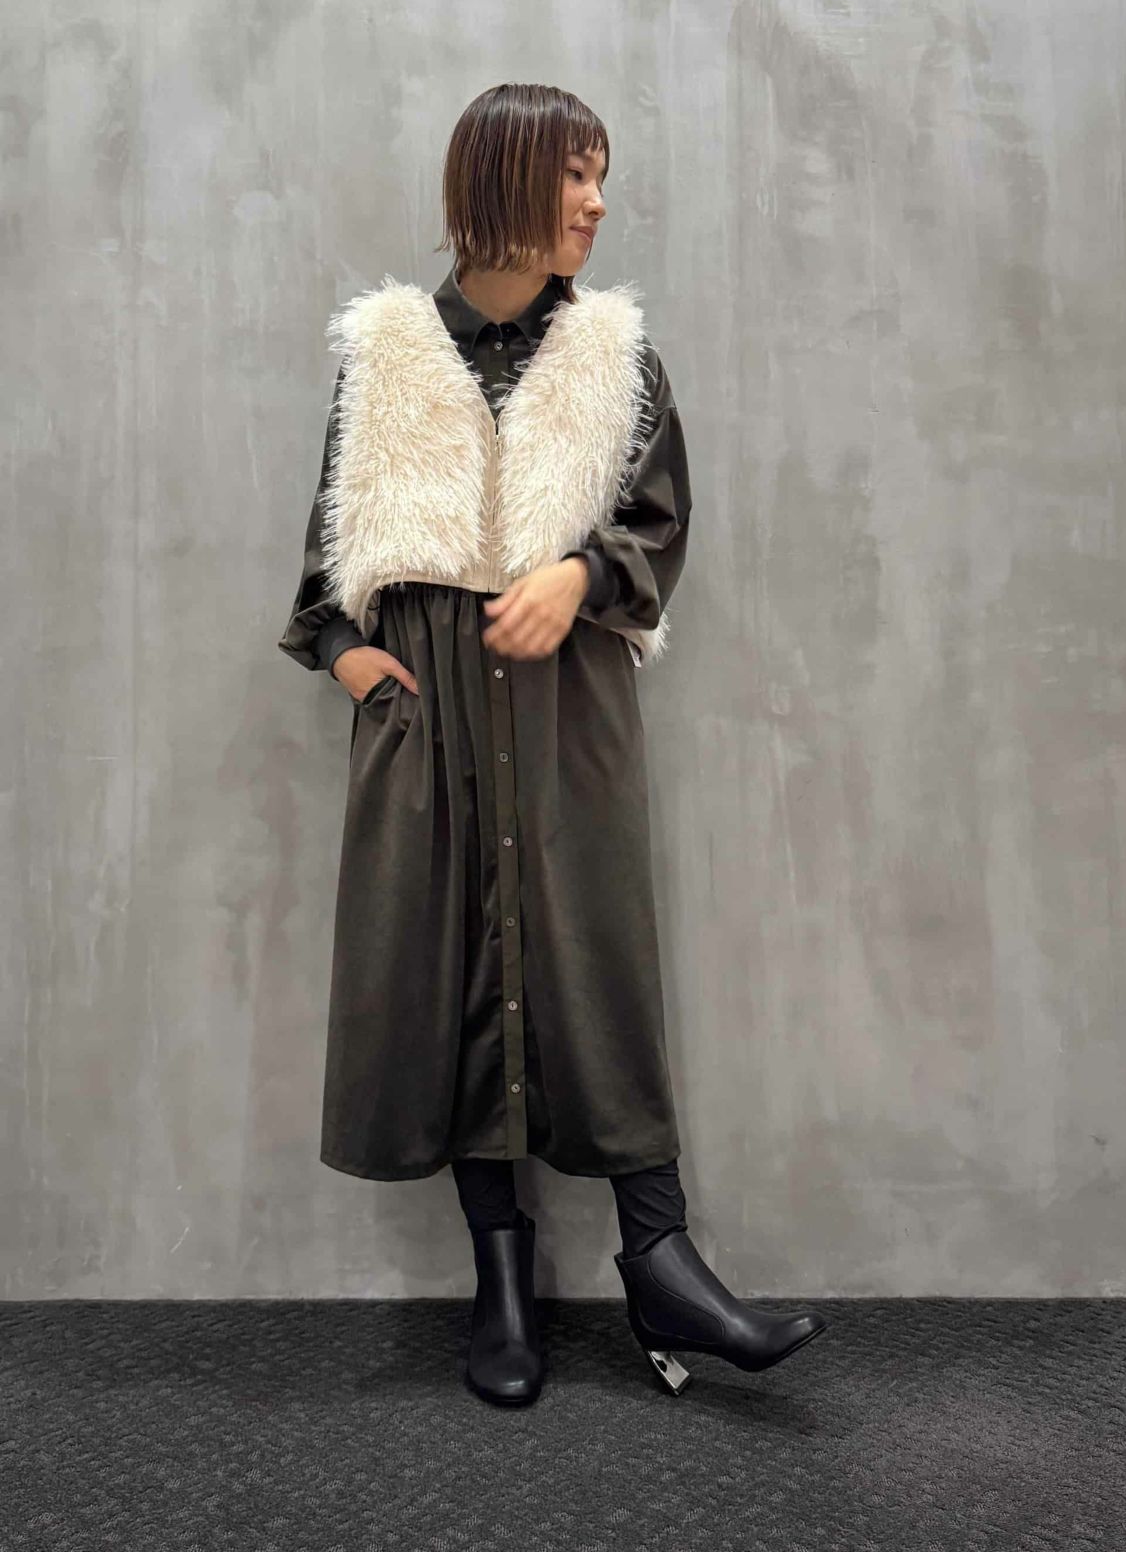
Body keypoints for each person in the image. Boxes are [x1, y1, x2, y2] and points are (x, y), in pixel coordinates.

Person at [278, 82, 826, 1403]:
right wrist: (360, 668)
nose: (596, 202)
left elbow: (656, 528)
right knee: (458, 968)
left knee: (594, 961)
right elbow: (322, 584)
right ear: (504, 182)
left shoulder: (614, 357)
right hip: (430, 723)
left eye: (599, 175)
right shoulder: (388, 355)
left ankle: (661, 1257)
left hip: (570, 713)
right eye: (575, 175)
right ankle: (503, 1283)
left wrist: (578, 577)